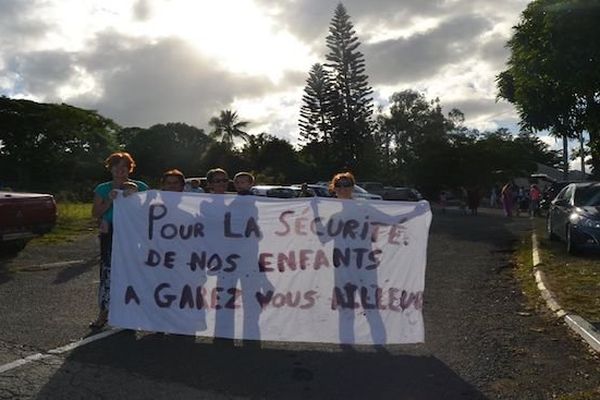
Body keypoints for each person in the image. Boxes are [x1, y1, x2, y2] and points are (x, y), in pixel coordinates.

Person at [90, 152, 149, 329]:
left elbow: (149, 211)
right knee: (108, 272)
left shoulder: (141, 186)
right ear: (111, 169)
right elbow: (95, 213)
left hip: (134, 234)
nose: (120, 171)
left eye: (124, 167)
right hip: (111, 232)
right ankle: (104, 313)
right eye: (116, 167)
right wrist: (109, 200)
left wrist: (135, 195)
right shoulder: (103, 188)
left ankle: (132, 314)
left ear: (129, 168)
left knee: (133, 272)